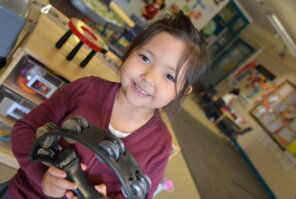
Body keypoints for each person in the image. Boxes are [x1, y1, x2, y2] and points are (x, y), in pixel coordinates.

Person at [6, 11, 210, 199]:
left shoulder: (160, 145)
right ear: (129, 51)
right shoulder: (85, 90)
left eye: (169, 76)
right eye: (145, 58)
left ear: (183, 91)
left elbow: (140, 195)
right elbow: (25, 129)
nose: (148, 78)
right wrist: (42, 177)